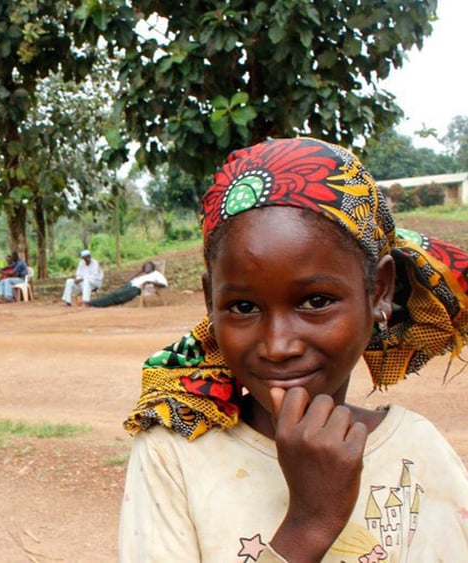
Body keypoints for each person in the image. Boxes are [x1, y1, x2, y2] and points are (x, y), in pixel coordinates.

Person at [118, 138, 468, 562]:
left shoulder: (417, 455)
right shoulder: (173, 455)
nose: (278, 346)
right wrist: (310, 523)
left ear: (379, 290)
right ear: (210, 301)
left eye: (315, 302)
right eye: (243, 307)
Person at [88, 261, 167, 308]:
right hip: (130, 285)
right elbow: (128, 280)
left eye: (148, 266)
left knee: (116, 296)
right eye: (145, 267)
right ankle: (92, 303)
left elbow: (164, 284)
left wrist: (149, 282)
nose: (146, 268)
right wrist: (139, 272)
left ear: (153, 267)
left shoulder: (157, 274)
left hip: (136, 289)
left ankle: (92, 304)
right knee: (113, 294)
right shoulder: (143, 275)